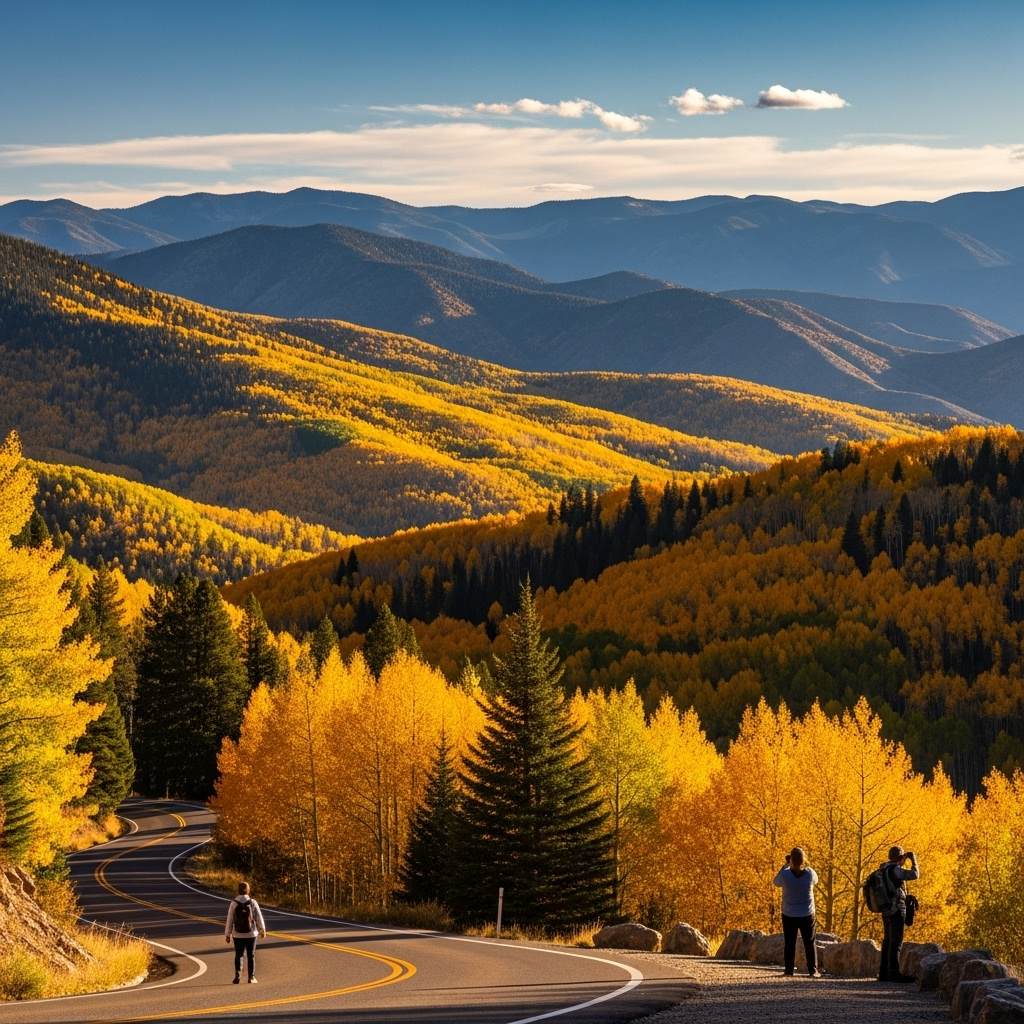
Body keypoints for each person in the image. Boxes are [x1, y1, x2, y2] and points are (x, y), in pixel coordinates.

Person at [773, 847, 820, 978]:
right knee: (809, 942)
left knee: (789, 942)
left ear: (791, 860)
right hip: (807, 914)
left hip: (789, 914)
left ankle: (789, 970)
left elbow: (775, 882)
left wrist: (786, 865)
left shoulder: (785, 874)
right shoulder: (810, 873)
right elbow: (816, 881)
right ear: (804, 859)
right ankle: (813, 970)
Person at [878, 846, 920, 983]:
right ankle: (894, 973)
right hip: (896, 909)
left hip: (885, 908)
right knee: (896, 942)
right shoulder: (895, 870)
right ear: (901, 858)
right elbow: (915, 874)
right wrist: (913, 860)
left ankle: (883, 973)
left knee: (887, 941)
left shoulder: (883, 868)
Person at [224, 882, 267, 984]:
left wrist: (227, 934)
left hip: (237, 934)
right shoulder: (252, 902)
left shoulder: (234, 903)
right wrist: (262, 930)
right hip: (251, 934)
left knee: (238, 954)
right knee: (251, 955)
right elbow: (258, 917)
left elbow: (230, 919)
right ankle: (251, 977)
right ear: (248, 890)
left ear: (238, 890)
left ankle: (238, 975)